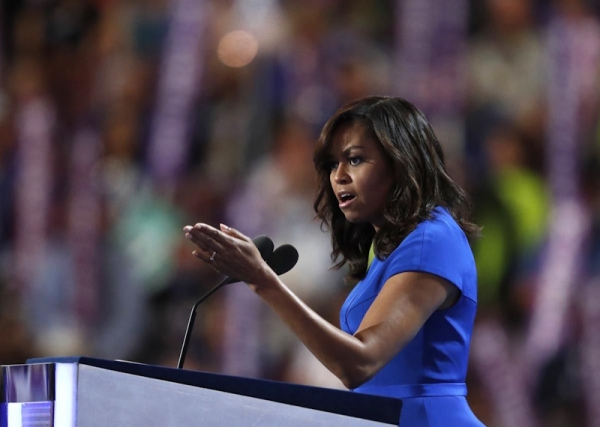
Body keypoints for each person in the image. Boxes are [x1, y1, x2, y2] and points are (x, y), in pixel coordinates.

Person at [184, 96, 485, 426]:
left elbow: (360, 363)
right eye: (331, 164)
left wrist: (263, 280)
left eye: (355, 160)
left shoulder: (431, 240)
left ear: (401, 161)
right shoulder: (388, 246)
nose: (338, 175)